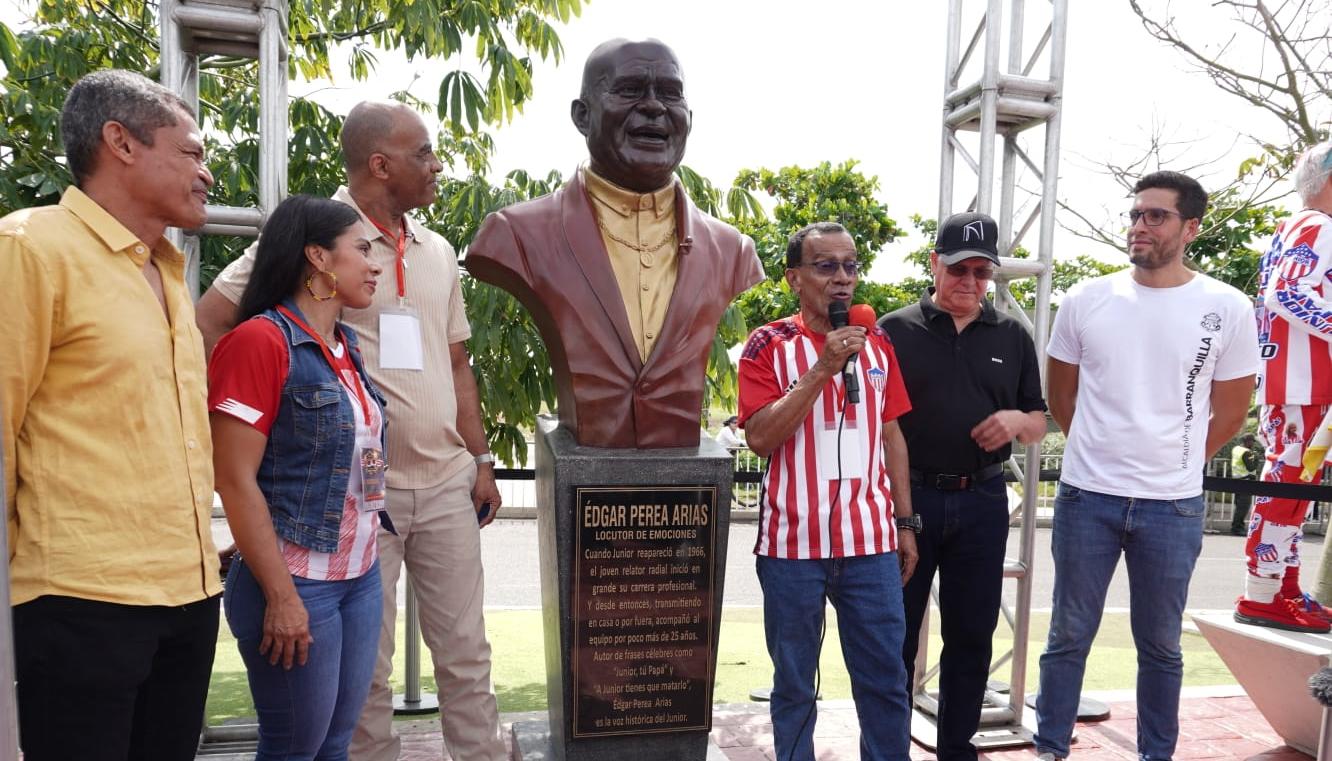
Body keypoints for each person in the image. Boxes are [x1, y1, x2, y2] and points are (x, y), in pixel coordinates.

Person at [195, 101, 508, 761]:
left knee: (466, 653)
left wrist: (480, 456)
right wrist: (278, 435)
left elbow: (456, 361)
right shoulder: (319, 230)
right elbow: (211, 321)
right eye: (424, 152)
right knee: (364, 677)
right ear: (380, 163)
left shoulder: (438, 249)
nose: (437, 164)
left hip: (448, 479)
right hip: (358, 499)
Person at [0, 69, 221, 761]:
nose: (206, 173)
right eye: (191, 152)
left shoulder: (169, 270)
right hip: (79, 598)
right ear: (120, 142)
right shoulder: (31, 247)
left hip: (189, 592)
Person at [1034, 171, 1259, 761]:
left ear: (1191, 228)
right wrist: (1103, 451)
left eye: (1156, 216)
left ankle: (1155, 754)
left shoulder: (1228, 307)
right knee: (1067, 638)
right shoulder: (1087, 298)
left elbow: (1231, 411)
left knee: (1161, 645)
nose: (1140, 226)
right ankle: (1049, 748)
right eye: (1136, 214)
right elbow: (1062, 399)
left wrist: (1178, 461)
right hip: (1088, 497)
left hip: (1173, 505)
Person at [466, 38, 765, 448]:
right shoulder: (515, 236)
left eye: (670, 93)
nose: (654, 106)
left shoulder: (732, 251)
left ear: (689, 118)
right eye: (629, 90)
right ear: (582, 116)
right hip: (586, 448)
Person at [210, 194, 388, 758]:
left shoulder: (346, 345)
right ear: (318, 257)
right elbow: (234, 479)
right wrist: (282, 598)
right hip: (295, 582)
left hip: (359, 573)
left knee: (334, 744)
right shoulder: (259, 341)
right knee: (294, 747)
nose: (374, 263)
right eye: (361, 249)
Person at [738, 222, 918, 761]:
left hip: (871, 545)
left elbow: (892, 436)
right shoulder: (768, 344)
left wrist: (905, 524)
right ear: (795, 277)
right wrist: (823, 367)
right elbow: (762, 438)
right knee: (794, 685)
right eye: (826, 266)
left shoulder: (878, 344)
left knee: (886, 681)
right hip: (793, 549)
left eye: (850, 266)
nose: (842, 279)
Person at [878, 211, 1046, 761]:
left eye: (981, 271)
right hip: (909, 501)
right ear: (934, 264)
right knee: (894, 632)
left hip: (983, 499)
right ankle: (888, 746)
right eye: (958, 268)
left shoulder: (1013, 335)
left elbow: (1039, 420)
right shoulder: (894, 330)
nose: (969, 282)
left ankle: (957, 748)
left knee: (972, 633)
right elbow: (875, 424)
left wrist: (1016, 423)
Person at [1237, 140, 1332, 632]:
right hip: (1304, 383)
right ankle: (1264, 594)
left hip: (1294, 380)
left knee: (1294, 486)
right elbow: (1287, 292)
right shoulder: (1319, 225)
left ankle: (1281, 589)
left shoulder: (1296, 225)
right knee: (1289, 485)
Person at [1228, 433, 1260, 536]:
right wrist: (1256, 458)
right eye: (1252, 442)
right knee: (1243, 507)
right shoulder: (1246, 452)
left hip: (1237, 480)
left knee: (1239, 506)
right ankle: (1237, 528)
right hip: (1246, 481)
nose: (1253, 444)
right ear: (1247, 441)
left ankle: (1236, 527)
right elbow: (1251, 468)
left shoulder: (1236, 449)